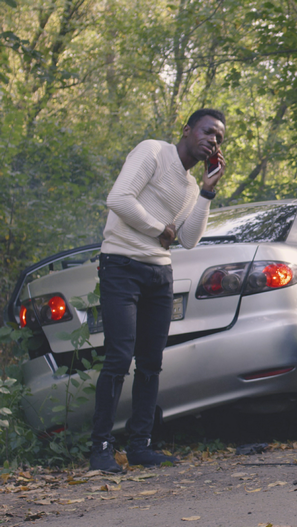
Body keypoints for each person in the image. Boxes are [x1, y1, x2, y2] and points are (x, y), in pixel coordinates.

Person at [90, 109, 227, 472]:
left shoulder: (192, 187)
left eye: (219, 138)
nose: (213, 140)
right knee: (119, 357)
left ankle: (140, 445)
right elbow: (118, 199)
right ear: (187, 130)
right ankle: (101, 449)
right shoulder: (153, 151)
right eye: (208, 131)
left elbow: (189, 239)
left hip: (159, 275)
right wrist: (157, 229)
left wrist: (208, 191)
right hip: (121, 265)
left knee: (151, 362)